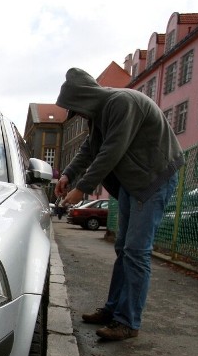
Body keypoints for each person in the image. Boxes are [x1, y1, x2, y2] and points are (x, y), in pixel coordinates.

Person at [54, 68, 184, 341]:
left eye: (78, 109)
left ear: (85, 98)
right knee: (124, 248)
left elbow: (111, 151)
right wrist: (67, 174)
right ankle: (113, 310)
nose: (79, 116)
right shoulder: (101, 114)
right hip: (131, 182)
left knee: (136, 252)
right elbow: (90, 149)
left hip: (152, 179)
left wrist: (82, 189)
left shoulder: (121, 103)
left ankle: (128, 321)